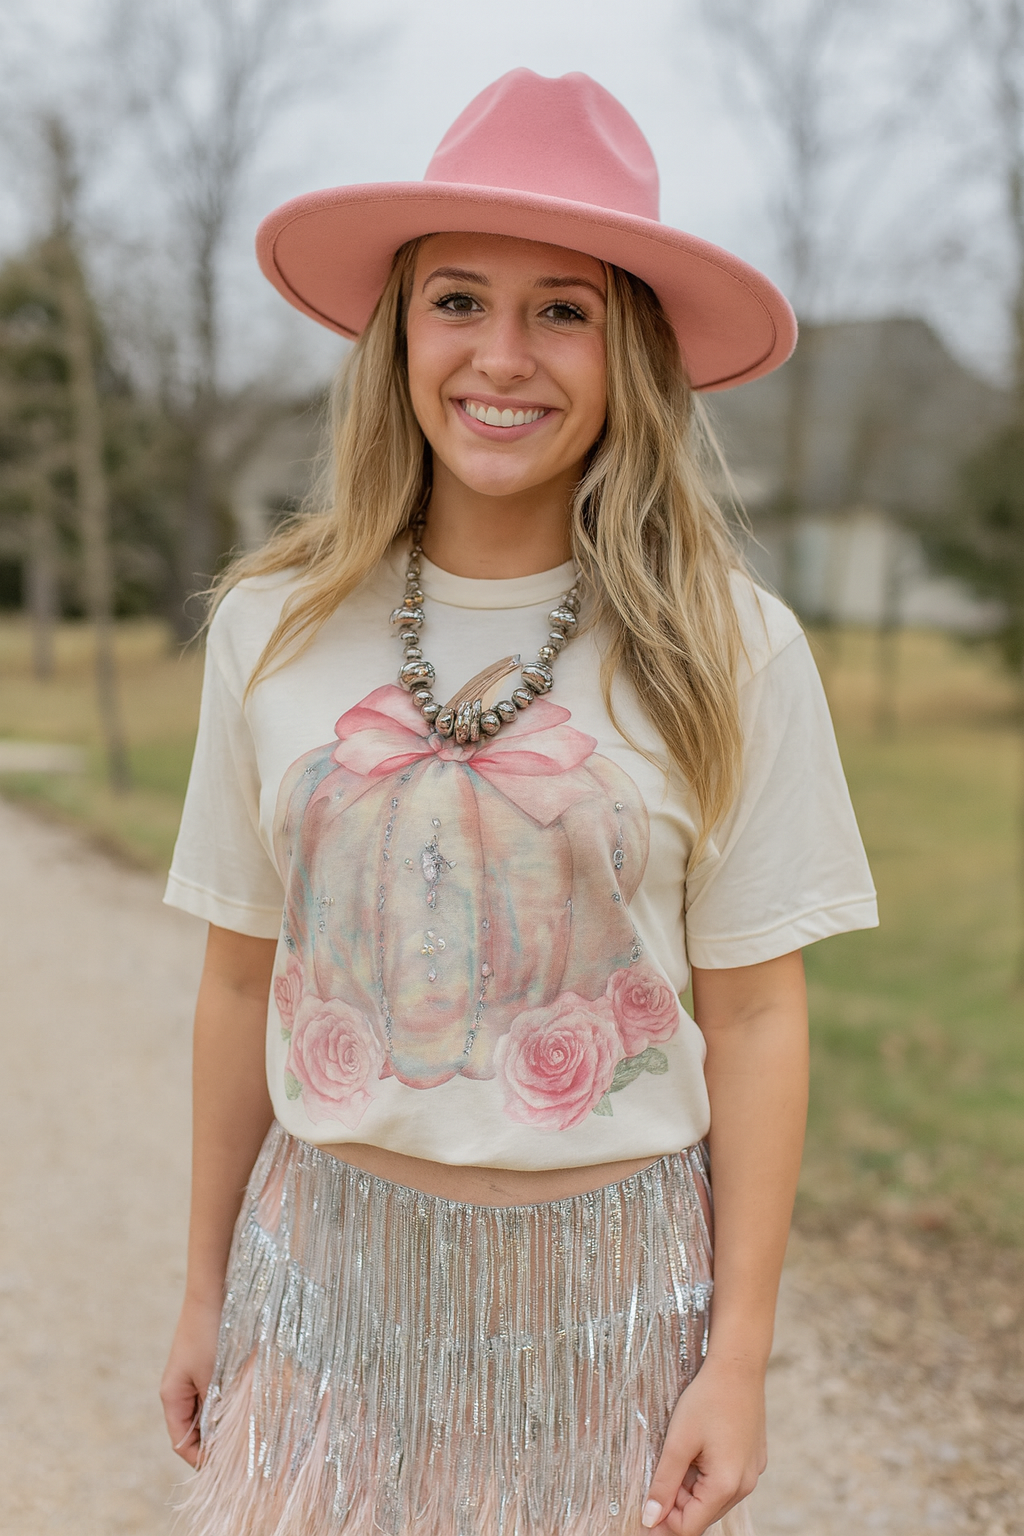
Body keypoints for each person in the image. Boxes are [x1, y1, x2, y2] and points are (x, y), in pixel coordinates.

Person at [160, 69, 877, 1536]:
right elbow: (240, 980)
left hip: (608, 1315)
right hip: (322, 1294)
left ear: (633, 356)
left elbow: (756, 1017)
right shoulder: (274, 629)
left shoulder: (730, 647)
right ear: (398, 332)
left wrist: (737, 1358)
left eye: (564, 310)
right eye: (458, 300)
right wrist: (202, 1290)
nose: (503, 356)